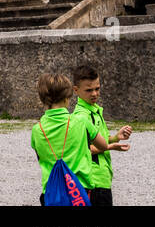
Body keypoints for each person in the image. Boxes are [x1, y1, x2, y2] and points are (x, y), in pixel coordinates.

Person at [32, 72, 108, 205]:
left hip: (51, 193)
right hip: (80, 192)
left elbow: (40, 156)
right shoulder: (81, 121)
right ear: (67, 97)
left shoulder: (37, 130)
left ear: (43, 99)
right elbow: (103, 145)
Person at [71, 64, 132, 206]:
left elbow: (97, 141)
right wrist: (110, 146)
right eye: (89, 90)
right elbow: (85, 149)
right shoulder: (81, 116)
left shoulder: (95, 110)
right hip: (93, 182)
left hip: (102, 180)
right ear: (76, 90)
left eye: (97, 89)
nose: (94, 94)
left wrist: (116, 137)